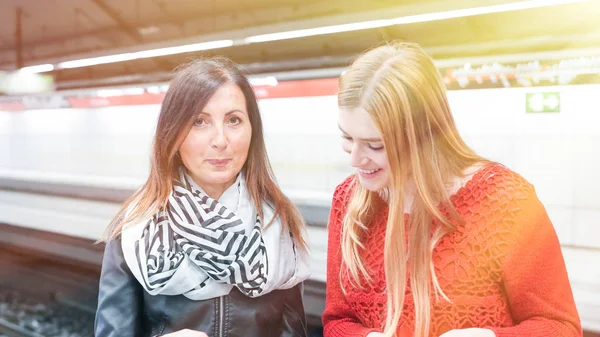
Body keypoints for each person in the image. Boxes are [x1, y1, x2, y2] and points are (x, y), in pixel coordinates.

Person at [322, 41, 582, 337]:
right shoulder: (349, 202)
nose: (355, 158)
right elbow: (337, 322)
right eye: (347, 138)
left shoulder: (505, 201)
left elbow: (560, 327)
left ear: (424, 135)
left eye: (375, 145)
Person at [95, 57, 311, 337]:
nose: (220, 140)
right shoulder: (135, 229)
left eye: (234, 120)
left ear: (252, 130)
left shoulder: (279, 223)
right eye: (199, 121)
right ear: (173, 134)